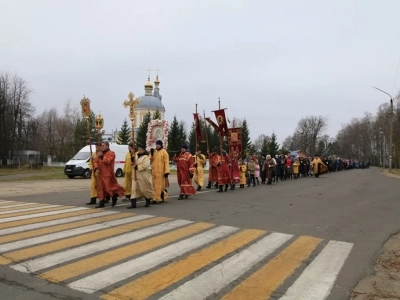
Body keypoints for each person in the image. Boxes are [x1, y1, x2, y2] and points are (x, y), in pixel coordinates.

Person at [93, 142, 125, 208]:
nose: (102, 147)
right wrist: (96, 168)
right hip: (100, 173)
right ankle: (101, 202)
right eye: (101, 145)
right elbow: (95, 162)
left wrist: (102, 157)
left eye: (103, 145)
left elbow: (108, 161)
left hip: (108, 174)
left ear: (107, 146)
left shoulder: (111, 153)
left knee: (109, 188)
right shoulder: (100, 153)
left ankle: (114, 197)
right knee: (100, 188)